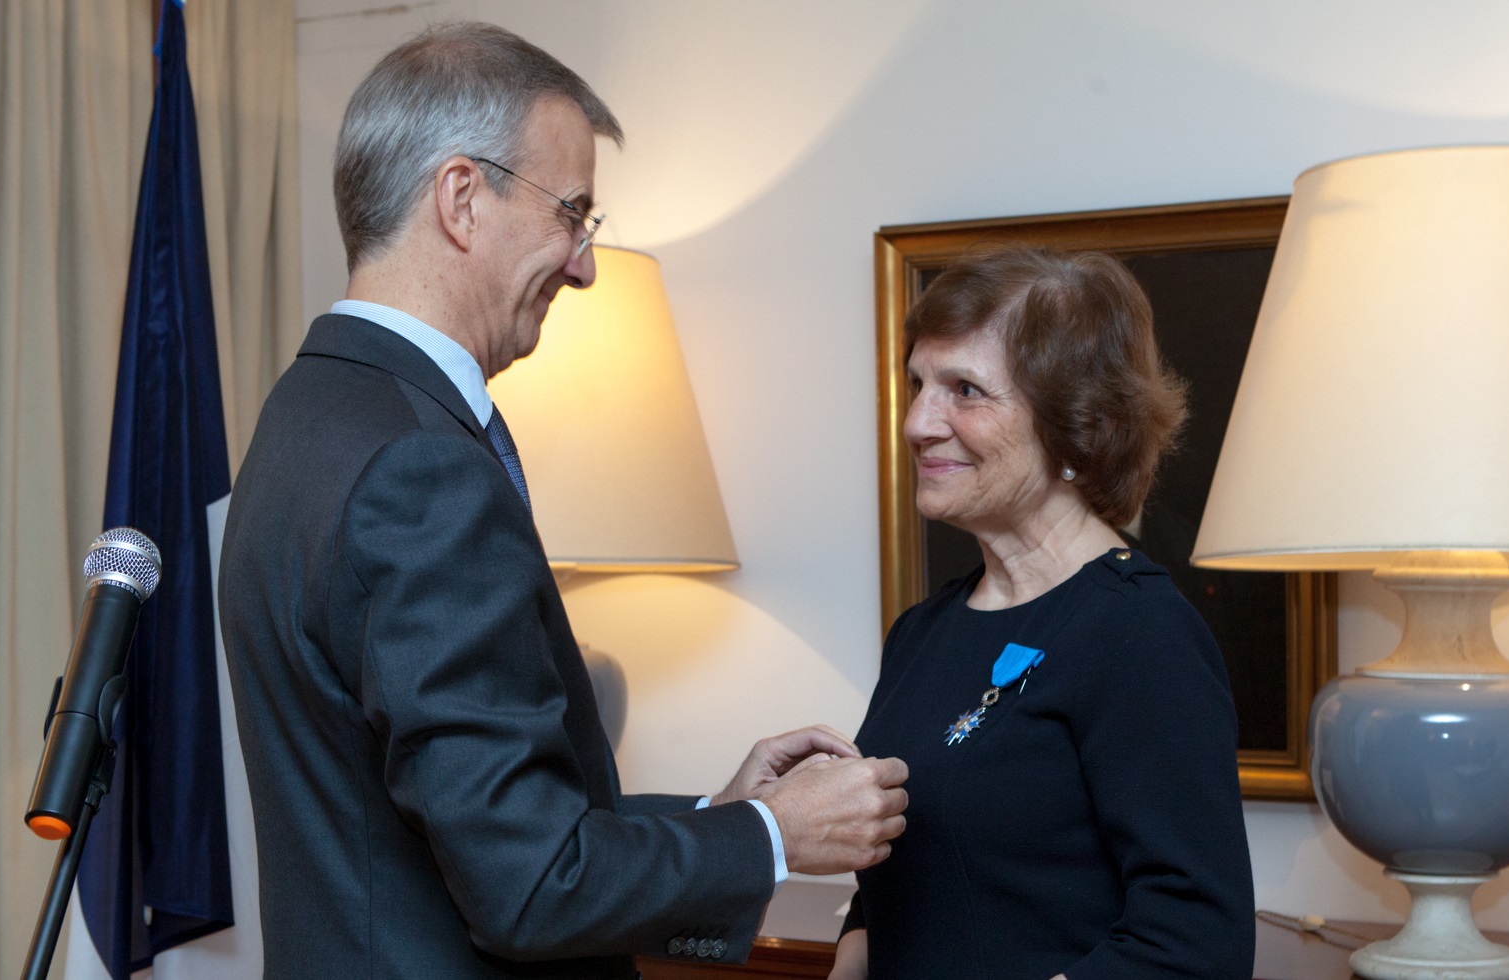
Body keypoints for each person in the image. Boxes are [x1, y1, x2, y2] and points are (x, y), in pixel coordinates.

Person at [218, 23, 906, 979]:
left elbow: (446, 823)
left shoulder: (306, 413)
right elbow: (530, 888)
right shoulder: (422, 469)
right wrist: (771, 835)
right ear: (462, 198)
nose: (584, 263)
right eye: (572, 213)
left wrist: (716, 818)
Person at [830, 246, 1256, 979]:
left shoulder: (1140, 634)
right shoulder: (923, 631)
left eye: (964, 390)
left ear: (1076, 427)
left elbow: (1193, 941)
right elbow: (896, 878)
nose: (918, 424)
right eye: (918, 384)